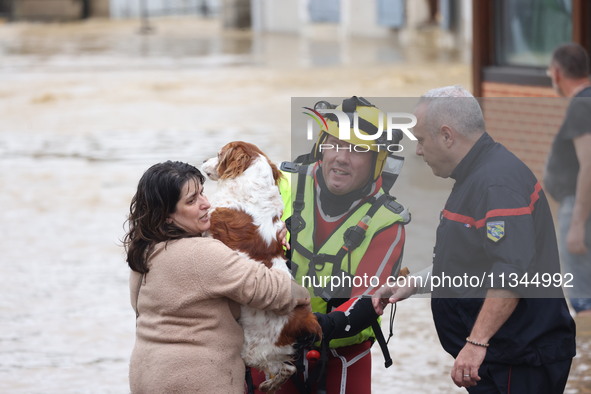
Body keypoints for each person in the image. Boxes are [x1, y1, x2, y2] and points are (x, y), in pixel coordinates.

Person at [373, 86, 576, 393]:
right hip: (504, 355)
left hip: (519, 358)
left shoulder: (496, 184)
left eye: (421, 140)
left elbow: (511, 274)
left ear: (446, 135)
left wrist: (476, 342)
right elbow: (472, 261)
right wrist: (414, 283)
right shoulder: (476, 175)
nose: (417, 150)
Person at [252, 96, 410, 394]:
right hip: (270, 346)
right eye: (334, 144)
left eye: (357, 150)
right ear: (320, 148)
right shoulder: (280, 184)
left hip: (343, 357)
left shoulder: (388, 222)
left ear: (378, 162)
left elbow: (368, 297)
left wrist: (311, 327)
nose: (341, 157)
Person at [123, 160, 311, 394]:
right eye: (192, 201)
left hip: (146, 375)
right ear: (168, 215)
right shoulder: (203, 253)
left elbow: (139, 307)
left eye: (202, 193)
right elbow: (274, 292)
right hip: (197, 381)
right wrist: (287, 265)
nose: (206, 203)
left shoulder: (144, 250)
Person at [544, 43, 591, 315]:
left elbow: (589, 164)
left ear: (558, 73)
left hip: (580, 209)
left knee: (583, 298)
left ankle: (585, 355)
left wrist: (577, 224)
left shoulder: (581, 106)